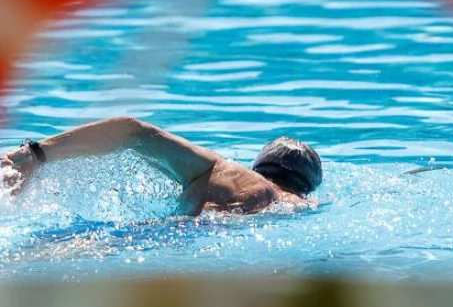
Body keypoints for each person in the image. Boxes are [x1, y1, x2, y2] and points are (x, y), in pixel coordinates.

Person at [0, 117, 322, 215]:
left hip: (166, 241)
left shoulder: (226, 172)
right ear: (306, 186)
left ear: (260, 164)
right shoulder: (300, 206)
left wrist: (35, 154)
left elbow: (130, 130)